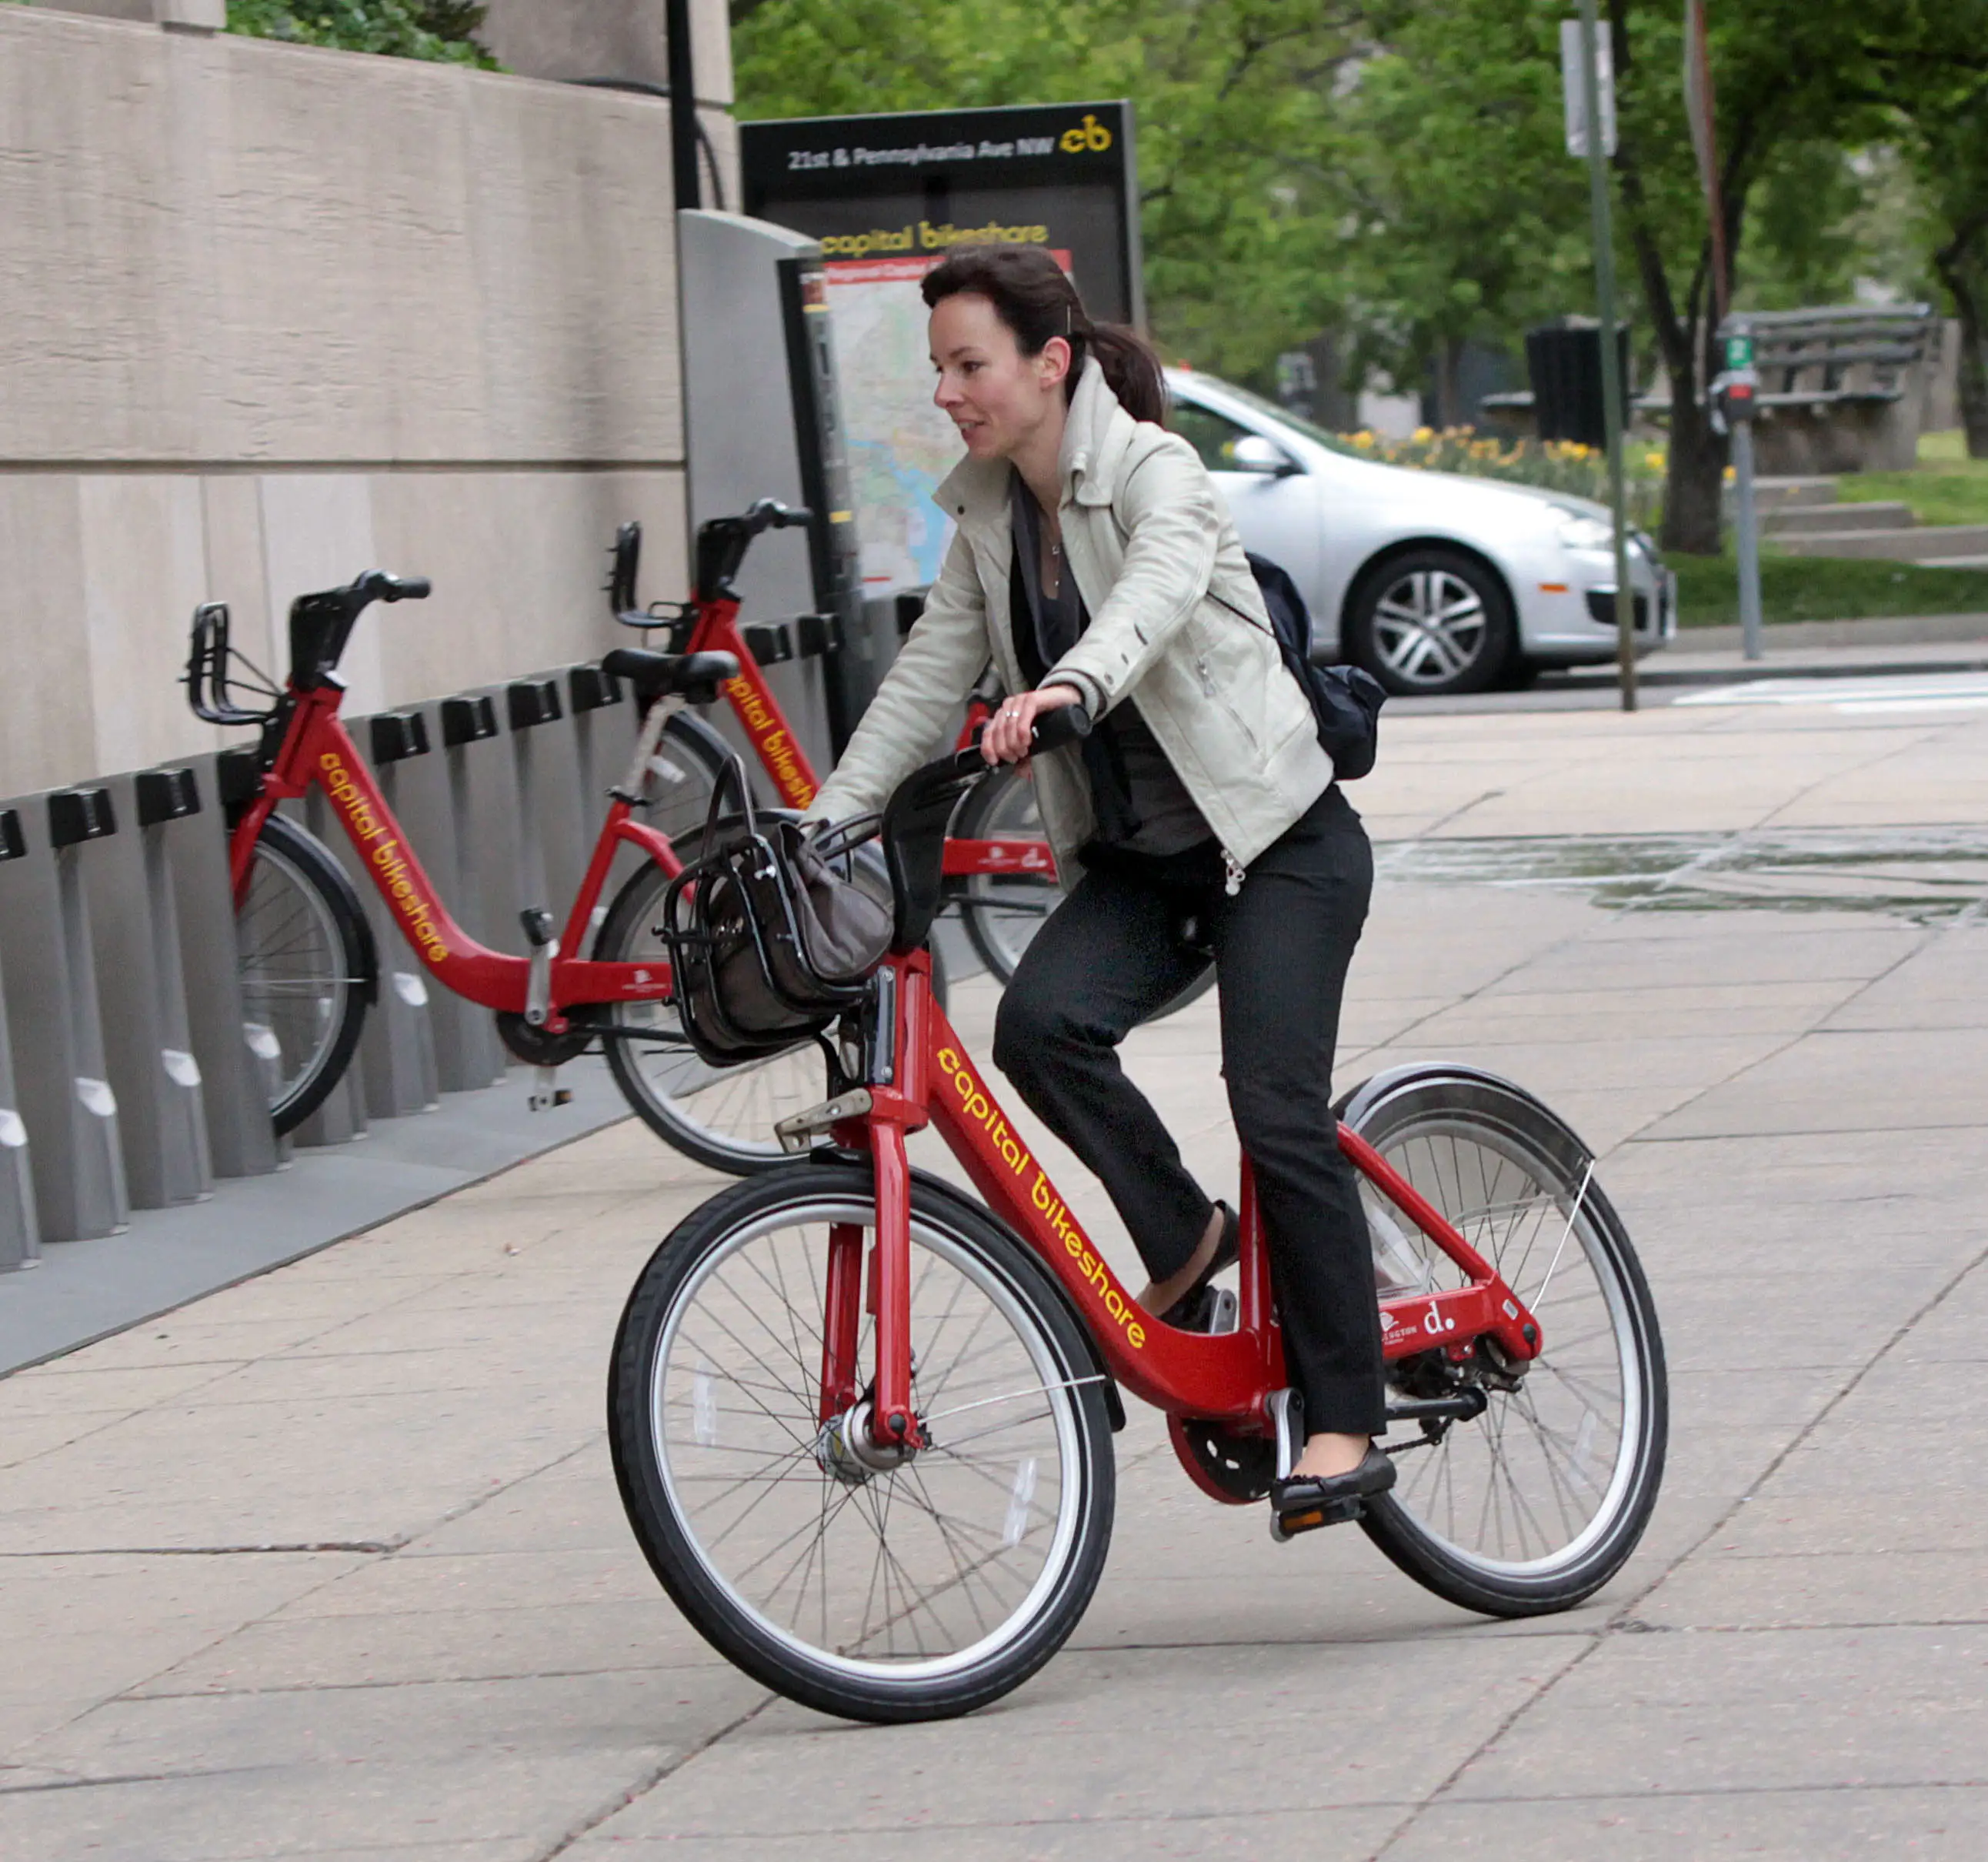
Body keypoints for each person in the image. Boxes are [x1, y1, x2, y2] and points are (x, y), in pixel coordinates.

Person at [804, 245, 1389, 1530]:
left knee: (1272, 1103)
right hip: (1153, 867)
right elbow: (922, 680)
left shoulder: (1154, 474)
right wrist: (829, 817)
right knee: (1041, 1028)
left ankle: (1346, 1418)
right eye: (941, 369)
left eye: (970, 364)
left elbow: (1158, 595)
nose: (949, 392)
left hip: (1278, 844)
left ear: (1048, 362)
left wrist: (1070, 683)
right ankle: (1186, 1245)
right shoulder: (989, 519)